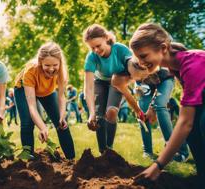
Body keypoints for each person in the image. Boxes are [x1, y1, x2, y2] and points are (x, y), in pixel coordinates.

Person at [129, 23, 205, 185]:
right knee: (193, 131)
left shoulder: (192, 64)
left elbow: (185, 122)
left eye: (143, 56)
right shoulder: (175, 68)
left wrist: (158, 165)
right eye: (138, 58)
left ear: (163, 48)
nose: (141, 63)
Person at [112, 58, 189, 161]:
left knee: (160, 105)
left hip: (164, 79)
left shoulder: (147, 63)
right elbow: (131, 97)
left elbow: (157, 93)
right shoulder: (132, 76)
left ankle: (177, 151)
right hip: (146, 84)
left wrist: (152, 107)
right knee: (143, 115)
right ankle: (147, 151)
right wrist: (139, 112)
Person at [14, 42, 75, 159]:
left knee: (62, 124)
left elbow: (61, 96)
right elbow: (32, 106)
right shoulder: (31, 71)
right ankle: (28, 157)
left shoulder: (62, 71)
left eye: (55, 65)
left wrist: (62, 116)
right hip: (23, 90)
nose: (51, 69)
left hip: (46, 91)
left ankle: (71, 160)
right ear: (40, 62)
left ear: (60, 62)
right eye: (47, 65)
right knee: (27, 122)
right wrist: (42, 127)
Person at [83, 24, 132, 153]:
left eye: (98, 46)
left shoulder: (120, 49)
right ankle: (102, 151)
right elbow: (88, 88)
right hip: (99, 82)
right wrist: (91, 113)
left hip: (117, 80)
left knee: (111, 112)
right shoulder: (91, 57)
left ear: (106, 38)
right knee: (99, 117)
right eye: (92, 48)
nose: (96, 50)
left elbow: (134, 68)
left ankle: (109, 150)